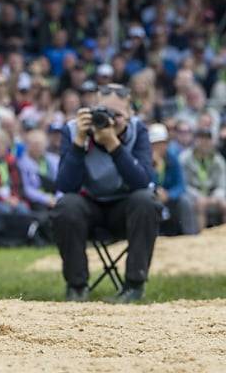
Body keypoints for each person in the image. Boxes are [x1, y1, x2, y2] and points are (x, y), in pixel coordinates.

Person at [51, 84, 160, 303]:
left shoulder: (139, 130)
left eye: (117, 115)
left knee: (146, 200)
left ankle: (134, 286)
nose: (109, 120)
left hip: (125, 207)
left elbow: (143, 181)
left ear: (130, 116)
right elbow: (66, 186)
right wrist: (80, 142)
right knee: (66, 205)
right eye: (104, 112)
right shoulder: (73, 130)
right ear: (93, 110)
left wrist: (113, 144)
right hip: (88, 206)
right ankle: (77, 286)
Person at [149, 123, 197, 235]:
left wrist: (169, 195)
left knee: (185, 201)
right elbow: (144, 182)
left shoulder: (173, 159)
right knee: (146, 203)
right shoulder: (145, 161)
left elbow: (181, 185)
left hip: (170, 198)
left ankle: (190, 235)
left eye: (161, 143)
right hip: (151, 197)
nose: (158, 147)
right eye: (155, 144)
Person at [179, 128, 226, 230]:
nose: (204, 142)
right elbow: (183, 185)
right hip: (193, 195)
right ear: (195, 140)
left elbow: (222, 185)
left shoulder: (218, 160)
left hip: (213, 194)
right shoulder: (184, 158)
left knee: (224, 204)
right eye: (201, 139)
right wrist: (199, 196)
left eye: (207, 139)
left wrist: (216, 196)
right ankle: (201, 238)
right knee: (201, 203)